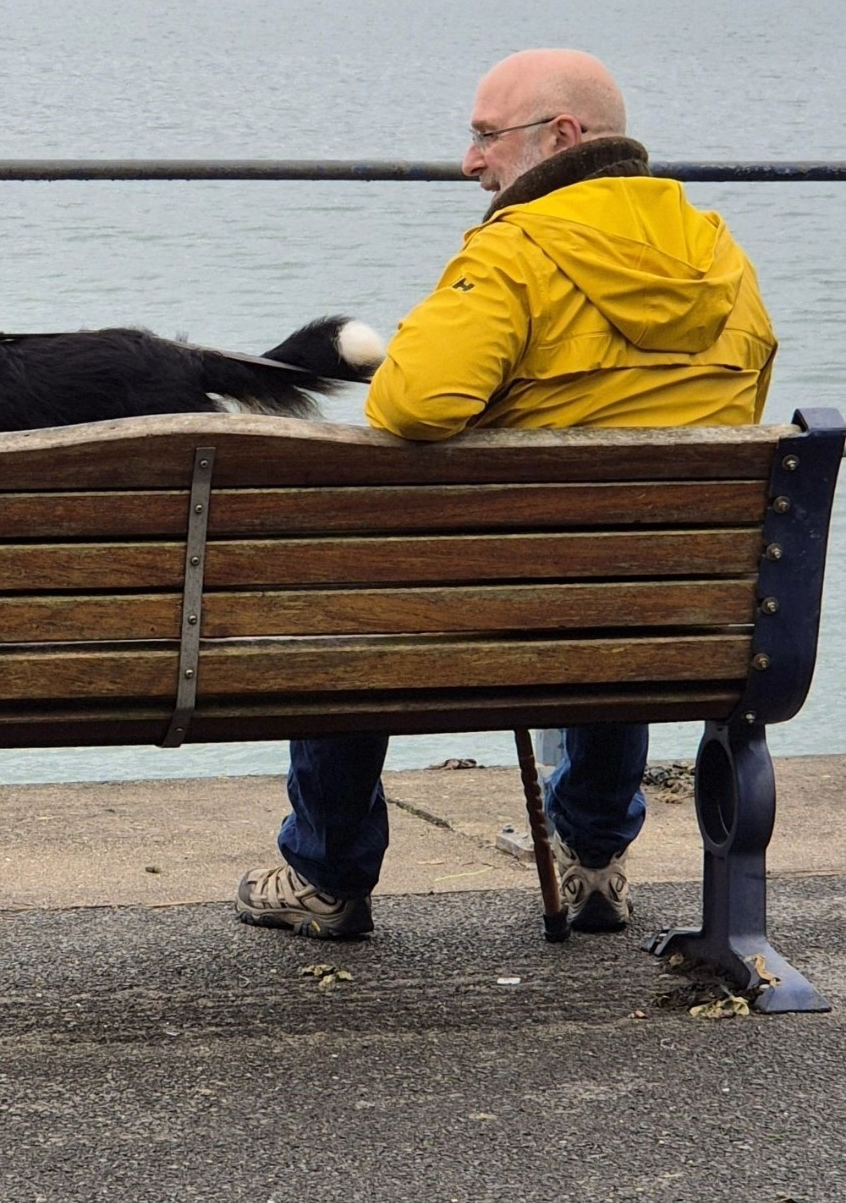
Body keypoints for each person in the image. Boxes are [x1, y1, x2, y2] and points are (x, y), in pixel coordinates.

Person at [236, 48, 778, 938]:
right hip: (675, 612)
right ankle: (597, 858)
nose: (471, 162)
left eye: (487, 137)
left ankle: (327, 874)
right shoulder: (720, 251)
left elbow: (411, 400)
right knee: (617, 582)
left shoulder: (520, 249)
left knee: (339, 601)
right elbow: (742, 408)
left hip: (501, 607)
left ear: (562, 137)